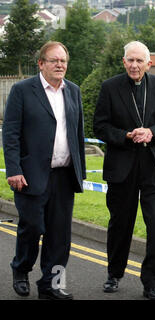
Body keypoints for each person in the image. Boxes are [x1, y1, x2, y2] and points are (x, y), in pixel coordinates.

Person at [93, 41, 155, 300]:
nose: (134, 65)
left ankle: (152, 283)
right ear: (123, 62)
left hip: (154, 167)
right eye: (130, 60)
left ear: (149, 64)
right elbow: (100, 126)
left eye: (139, 61)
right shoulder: (110, 87)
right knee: (120, 224)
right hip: (122, 168)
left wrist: (152, 132)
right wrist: (126, 135)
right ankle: (114, 274)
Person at [2, 41, 86, 300]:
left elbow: (78, 132)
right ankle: (21, 269)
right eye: (54, 60)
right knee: (33, 227)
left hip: (64, 175)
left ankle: (52, 284)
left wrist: (80, 171)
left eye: (63, 61)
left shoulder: (73, 91)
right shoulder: (22, 90)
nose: (60, 65)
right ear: (41, 64)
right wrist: (13, 169)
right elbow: (11, 133)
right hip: (30, 175)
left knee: (60, 236)